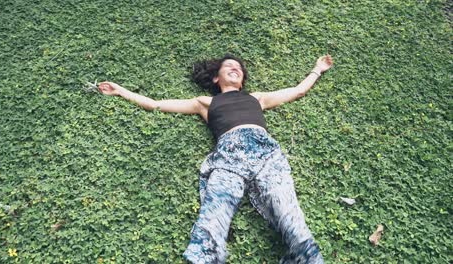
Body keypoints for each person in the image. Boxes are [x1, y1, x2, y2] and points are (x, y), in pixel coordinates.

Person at [98, 54, 333, 264]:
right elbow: (156, 104)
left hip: (266, 155)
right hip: (228, 157)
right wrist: (121, 91)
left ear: (242, 81)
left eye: (238, 67)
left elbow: (297, 91)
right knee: (214, 216)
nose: (235, 67)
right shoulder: (205, 103)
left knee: (290, 215)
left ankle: (304, 255)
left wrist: (317, 69)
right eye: (228, 65)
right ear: (215, 79)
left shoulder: (257, 98)